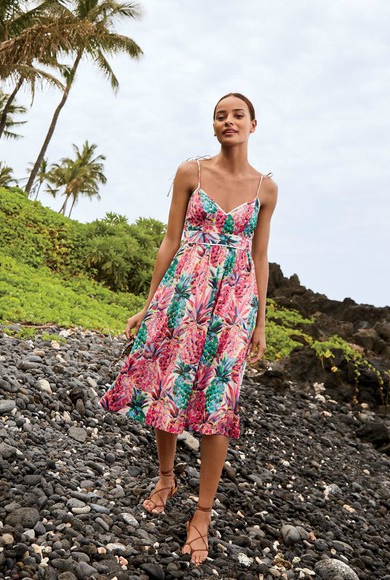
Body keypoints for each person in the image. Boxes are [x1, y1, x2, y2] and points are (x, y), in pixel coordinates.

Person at [98, 92, 278, 566]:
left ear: (253, 125)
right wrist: (148, 304)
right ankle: (165, 475)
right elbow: (170, 239)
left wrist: (260, 322)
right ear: (213, 125)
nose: (228, 121)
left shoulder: (266, 188)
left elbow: (259, 256)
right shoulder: (190, 173)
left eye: (238, 115)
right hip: (183, 294)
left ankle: (202, 512)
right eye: (220, 115)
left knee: (218, 401)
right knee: (169, 388)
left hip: (233, 305)